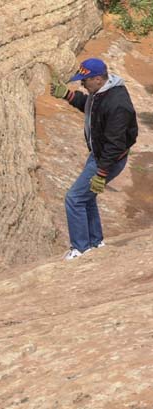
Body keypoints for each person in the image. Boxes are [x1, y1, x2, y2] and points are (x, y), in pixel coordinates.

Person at [50, 58, 138, 260]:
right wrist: (68, 95)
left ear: (98, 79)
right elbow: (91, 108)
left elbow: (115, 144)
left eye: (85, 80)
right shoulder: (101, 93)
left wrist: (101, 173)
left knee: (74, 198)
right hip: (100, 155)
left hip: (108, 159)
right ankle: (96, 243)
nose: (82, 84)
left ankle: (80, 250)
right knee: (86, 198)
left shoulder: (117, 104)